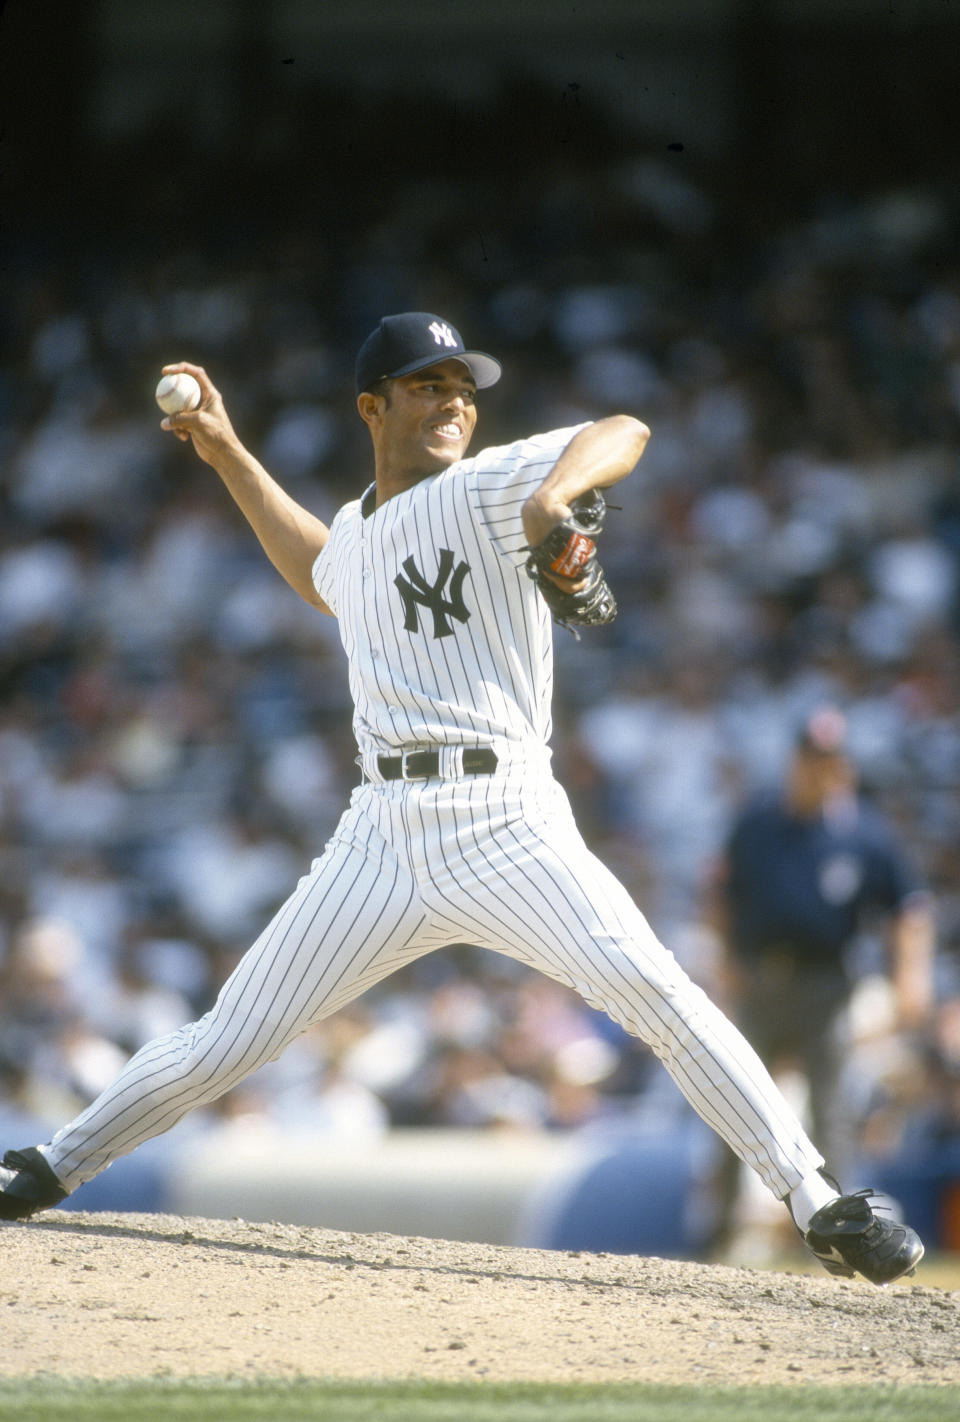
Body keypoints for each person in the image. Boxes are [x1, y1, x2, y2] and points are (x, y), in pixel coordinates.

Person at [0, 311, 923, 1284]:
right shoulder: (358, 531)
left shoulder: (489, 485)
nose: (453, 402)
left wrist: (556, 496)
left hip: (505, 821)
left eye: (463, 388)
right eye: (427, 385)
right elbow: (323, 571)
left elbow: (626, 432)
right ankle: (48, 1165)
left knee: (656, 991)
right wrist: (227, 450)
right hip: (381, 837)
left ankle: (820, 1200)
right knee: (227, 1037)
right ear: (372, 406)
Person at [709, 703, 935, 1249]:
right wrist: (724, 962)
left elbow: (909, 907)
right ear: (795, 761)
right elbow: (720, 891)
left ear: (844, 767)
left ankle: (838, 1236)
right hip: (759, 983)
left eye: (830, 760)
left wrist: (911, 976)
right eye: (812, 758)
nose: (820, 768)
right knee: (731, 1099)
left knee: (829, 1111)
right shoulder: (758, 823)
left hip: (825, 986)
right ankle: (714, 1228)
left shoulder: (865, 834)